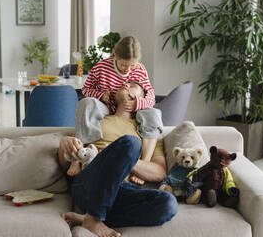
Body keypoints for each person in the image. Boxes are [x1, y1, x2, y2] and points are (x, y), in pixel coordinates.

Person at [59, 83, 178, 237]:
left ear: (141, 100)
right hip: (90, 183)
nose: (126, 83)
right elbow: (67, 166)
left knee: (168, 204)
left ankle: (88, 217)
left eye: (133, 85)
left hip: (123, 190)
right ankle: (94, 219)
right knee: (131, 143)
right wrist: (64, 146)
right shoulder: (95, 120)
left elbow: (160, 172)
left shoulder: (149, 134)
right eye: (124, 83)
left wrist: (124, 158)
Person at [78, 36, 162, 184]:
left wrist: (138, 104)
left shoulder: (140, 69)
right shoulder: (101, 67)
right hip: (106, 106)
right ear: (115, 55)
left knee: (153, 112)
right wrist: (100, 95)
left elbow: (151, 96)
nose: (128, 70)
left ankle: (145, 162)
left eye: (132, 65)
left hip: (134, 110)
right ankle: (82, 153)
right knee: (87, 103)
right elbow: (86, 89)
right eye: (124, 65)